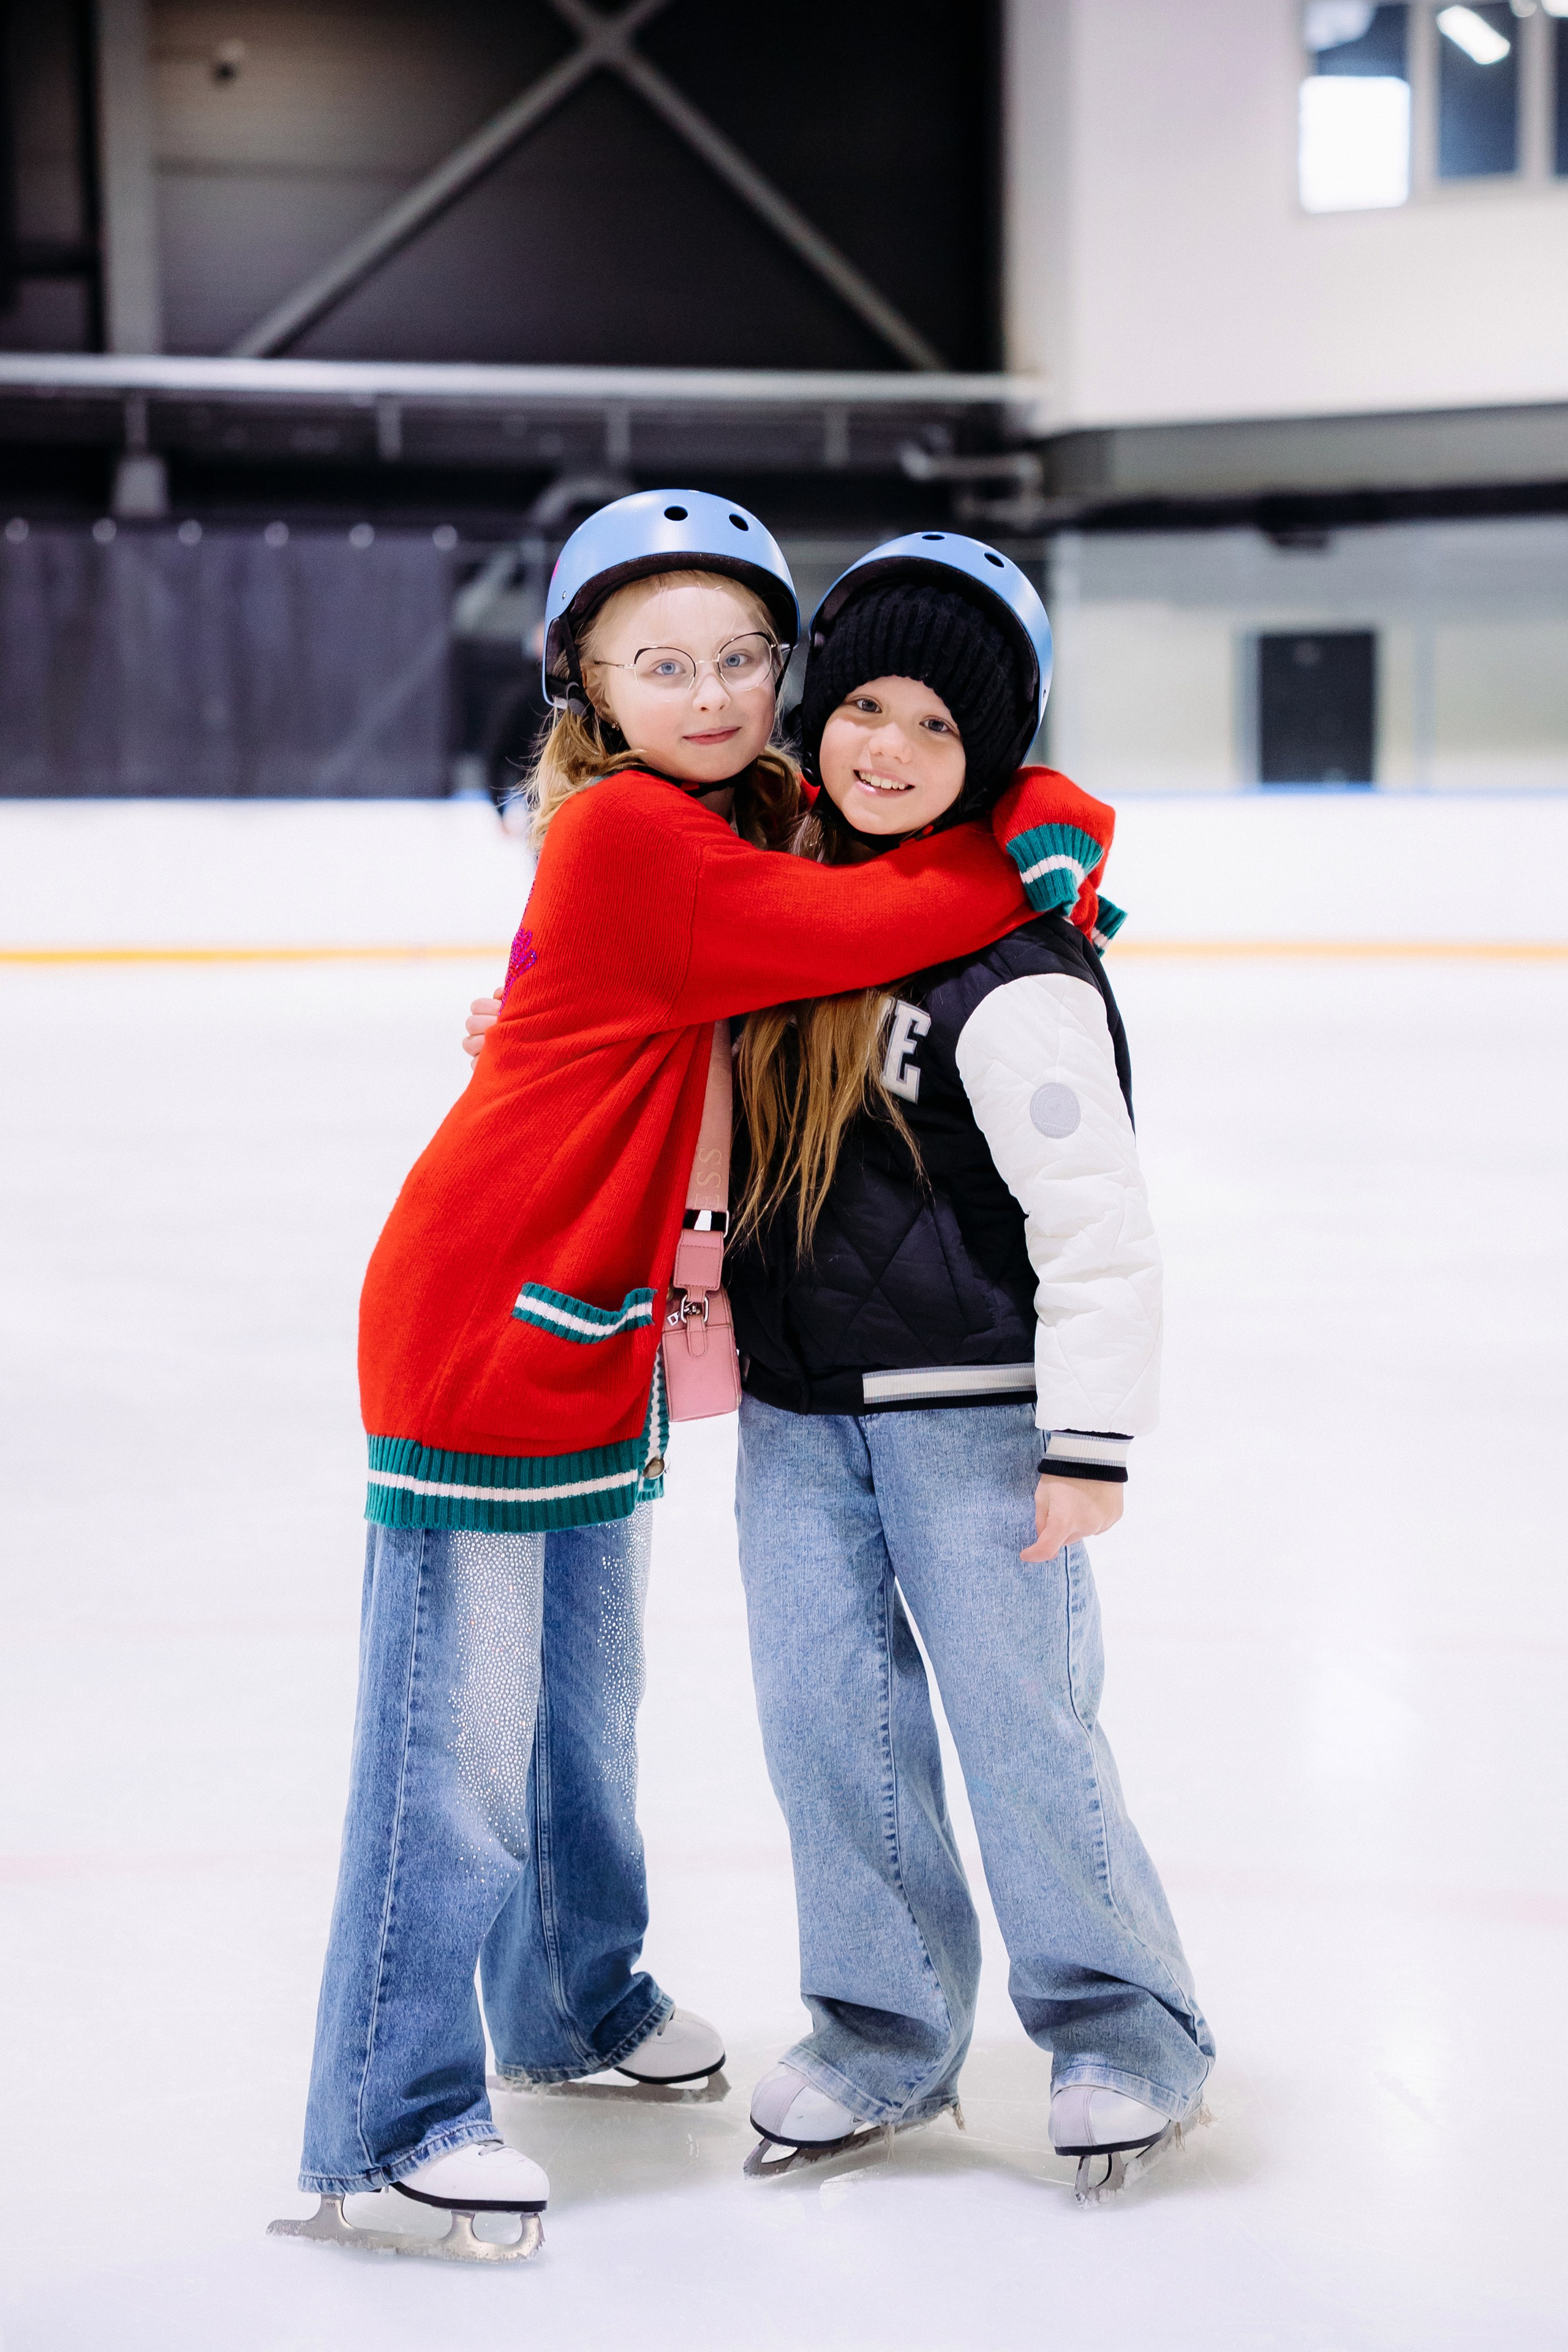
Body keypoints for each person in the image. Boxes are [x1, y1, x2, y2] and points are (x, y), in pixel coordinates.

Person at [287, 491, 1107, 2259]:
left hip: (600, 1334)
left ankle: (576, 2007)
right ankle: (387, 2106)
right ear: (585, 679)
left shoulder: (737, 814)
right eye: (665, 664)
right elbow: (862, 928)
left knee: (583, 1715)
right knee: (460, 1749)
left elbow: (857, 837)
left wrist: (1005, 793)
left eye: (746, 657)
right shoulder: (635, 842)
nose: (718, 693)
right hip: (493, 1329)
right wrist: (1039, 828)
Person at [725, 535, 1215, 2200]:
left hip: (976, 1424)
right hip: (799, 1421)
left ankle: (1125, 2030)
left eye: (936, 729)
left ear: (988, 758)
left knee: (1026, 1728)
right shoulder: (787, 920)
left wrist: (1088, 1442)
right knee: (826, 1726)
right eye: (863, 705)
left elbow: (1098, 1224)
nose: (887, 748)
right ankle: (879, 2029)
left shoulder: (1013, 969)